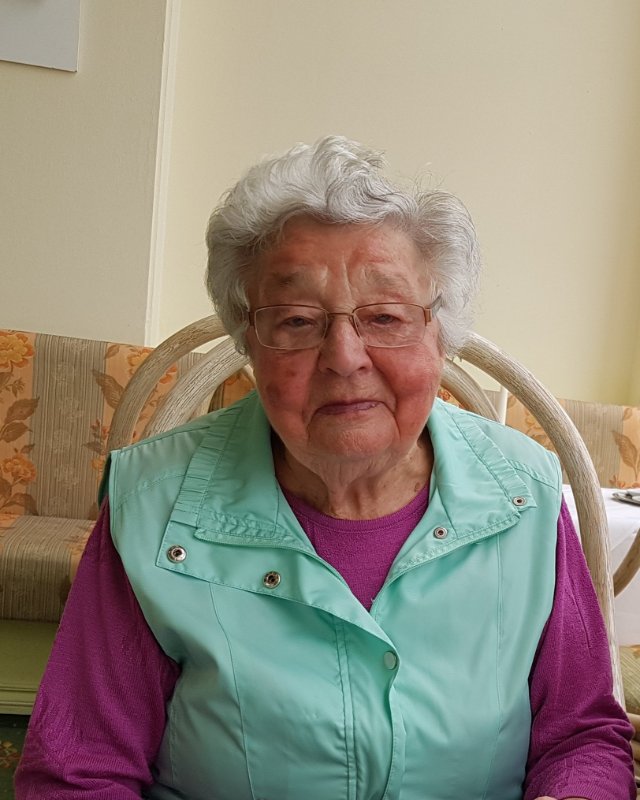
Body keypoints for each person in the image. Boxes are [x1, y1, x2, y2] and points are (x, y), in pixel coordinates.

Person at [15, 136, 635, 800]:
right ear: (249, 340)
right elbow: (80, 770)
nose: (344, 357)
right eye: (297, 321)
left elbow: (579, 737)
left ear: (440, 335)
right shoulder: (152, 504)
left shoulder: (525, 493)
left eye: (386, 317)